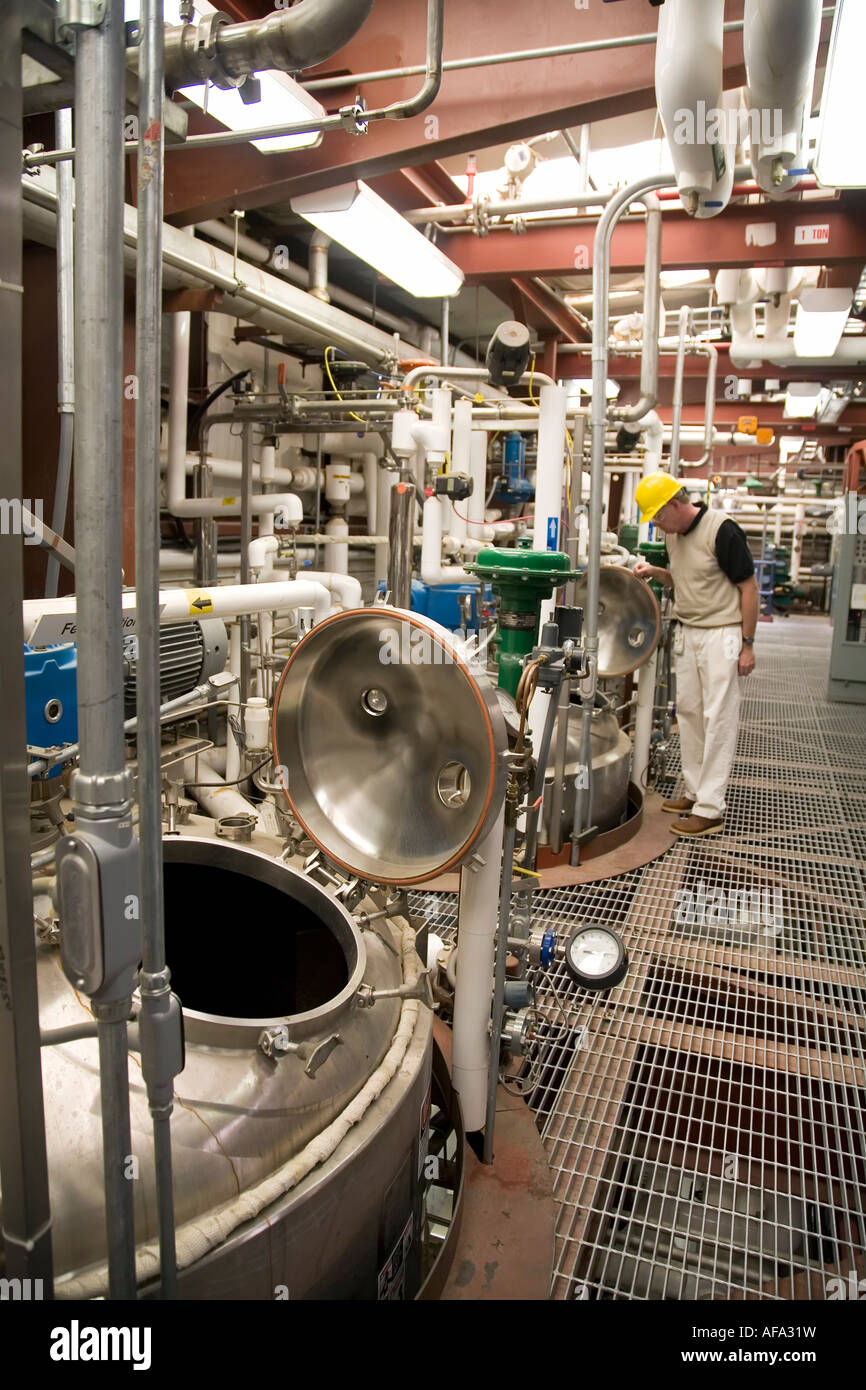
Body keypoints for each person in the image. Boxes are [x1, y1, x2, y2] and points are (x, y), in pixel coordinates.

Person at [633, 474, 758, 838]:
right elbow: (687, 578)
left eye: (658, 516)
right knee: (688, 712)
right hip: (688, 632)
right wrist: (657, 573)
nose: (657, 525)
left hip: (722, 635)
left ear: (675, 504)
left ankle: (710, 808)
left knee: (718, 718)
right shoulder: (674, 535)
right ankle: (693, 790)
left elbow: (748, 588)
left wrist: (747, 643)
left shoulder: (723, 530)